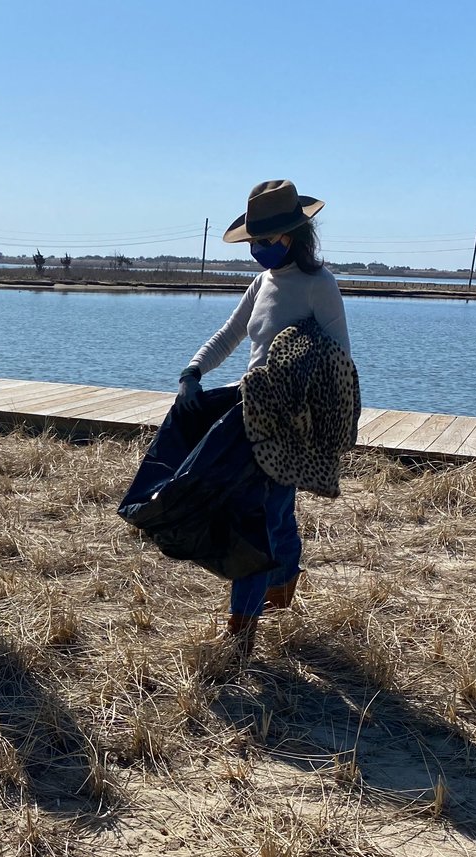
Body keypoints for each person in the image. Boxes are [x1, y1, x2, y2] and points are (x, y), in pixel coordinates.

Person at [172, 179, 352, 653]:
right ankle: (284, 580)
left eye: (266, 241)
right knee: (271, 511)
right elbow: (232, 333)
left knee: (254, 517)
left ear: (294, 236)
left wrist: (313, 417)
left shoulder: (320, 286)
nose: (259, 250)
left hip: (290, 424)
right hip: (249, 411)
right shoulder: (263, 281)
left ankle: (241, 628)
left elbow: (339, 361)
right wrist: (193, 369)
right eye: (254, 242)